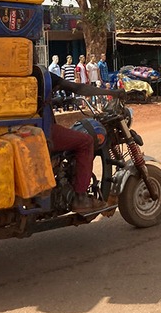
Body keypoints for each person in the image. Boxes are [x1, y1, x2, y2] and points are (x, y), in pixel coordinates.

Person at [48, 73, 118, 213]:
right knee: (86, 142)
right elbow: (79, 88)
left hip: (19, 129)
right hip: (44, 132)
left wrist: (55, 101)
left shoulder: (14, 75)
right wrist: (111, 92)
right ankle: (80, 198)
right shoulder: (41, 74)